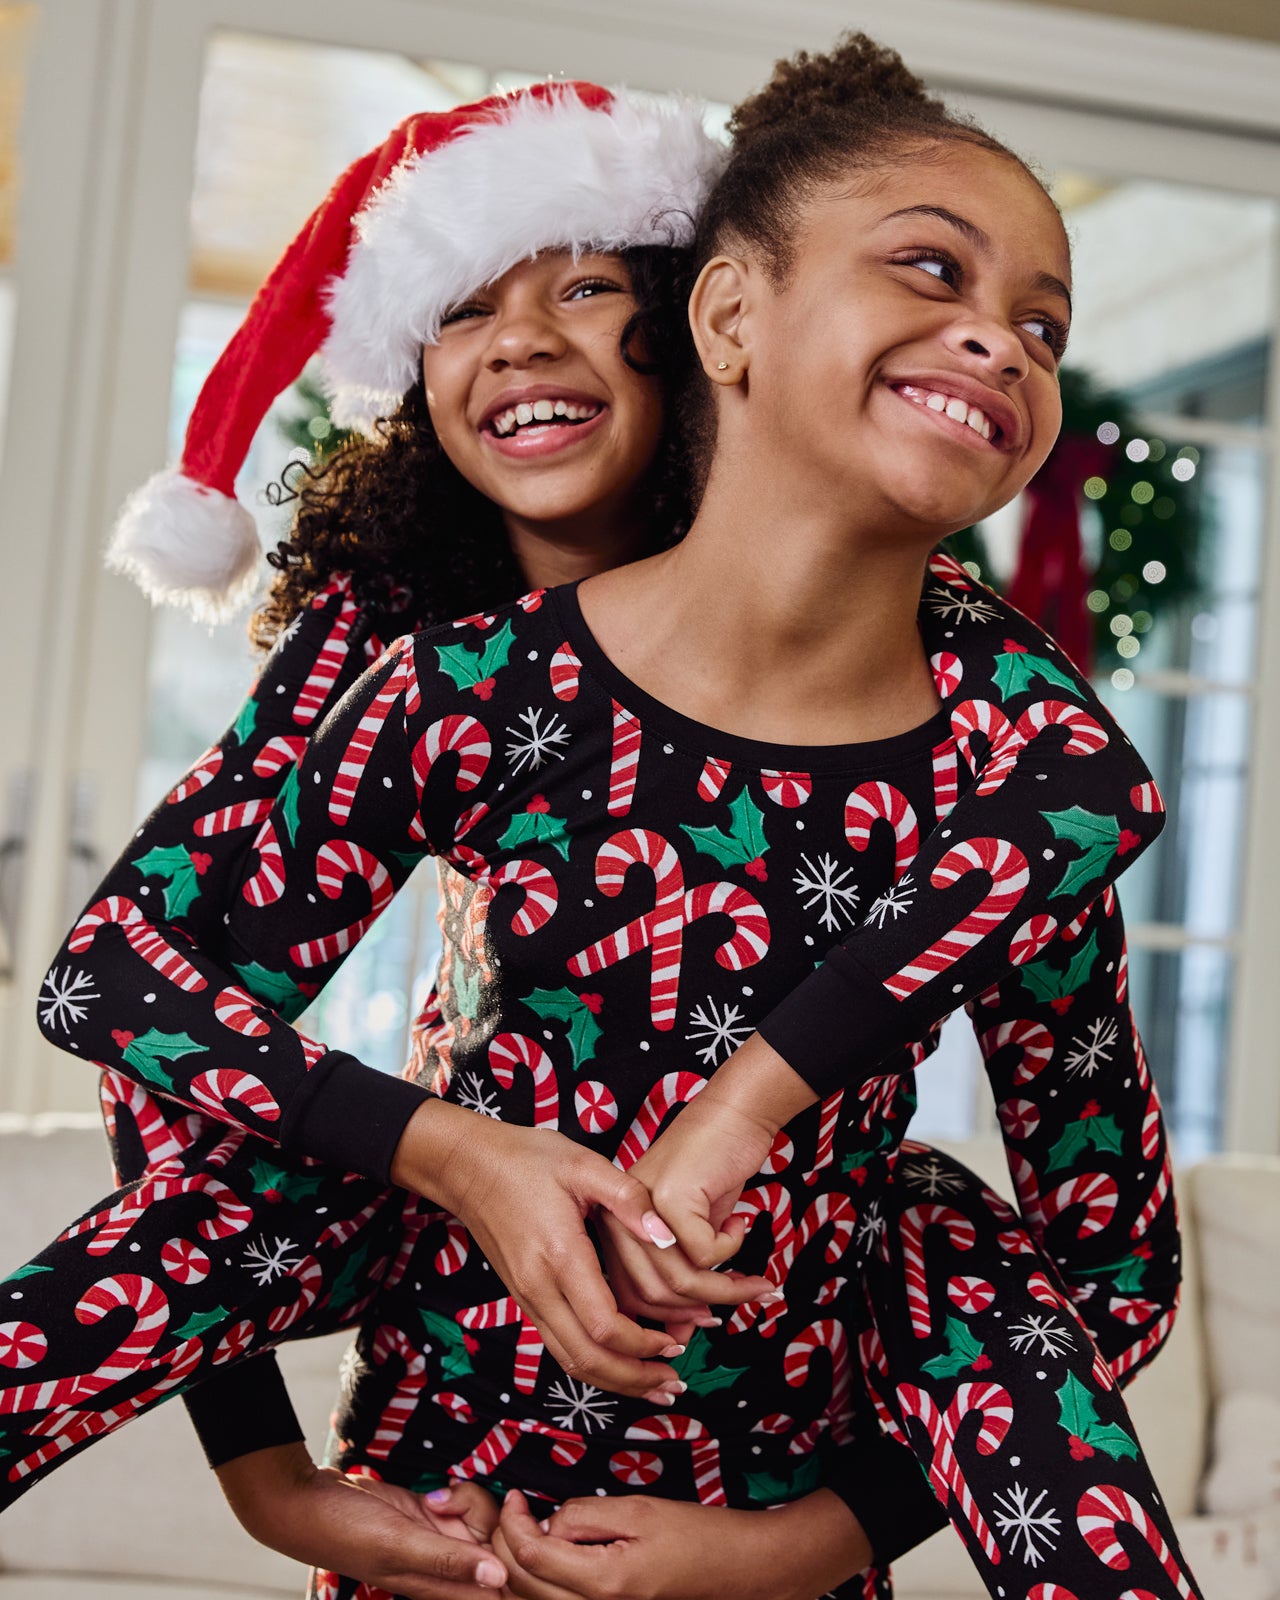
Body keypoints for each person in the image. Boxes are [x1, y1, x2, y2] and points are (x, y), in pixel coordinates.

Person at [8, 49, 1187, 1599]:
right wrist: (278, 1456)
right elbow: (134, 998)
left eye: (580, 289)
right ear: (733, 321)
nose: (518, 340)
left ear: (690, 326)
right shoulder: (431, 663)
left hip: (789, 1408)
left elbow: (1096, 802)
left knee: (945, 1228)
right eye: (462, 309)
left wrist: (798, 1542)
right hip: (453, 1394)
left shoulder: (1000, 739)